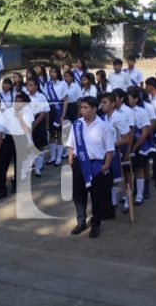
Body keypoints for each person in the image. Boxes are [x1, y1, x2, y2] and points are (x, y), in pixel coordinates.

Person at [66, 96, 114, 238]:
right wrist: (70, 159)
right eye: (81, 107)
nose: (82, 110)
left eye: (86, 108)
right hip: (79, 164)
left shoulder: (103, 126)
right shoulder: (77, 124)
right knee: (78, 195)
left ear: (94, 109)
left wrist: (106, 166)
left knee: (96, 196)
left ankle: (95, 224)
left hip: (96, 165)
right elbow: (71, 144)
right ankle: (81, 221)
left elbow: (110, 149)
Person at [46, 65, 68, 167]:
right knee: (51, 134)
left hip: (59, 110)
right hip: (50, 110)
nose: (52, 74)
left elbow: (65, 101)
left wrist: (63, 115)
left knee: (59, 135)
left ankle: (59, 158)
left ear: (58, 73)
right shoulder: (48, 84)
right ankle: (53, 157)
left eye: (54, 72)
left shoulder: (63, 84)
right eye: (51, 72)